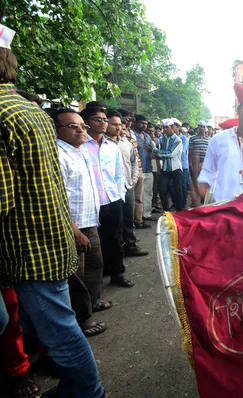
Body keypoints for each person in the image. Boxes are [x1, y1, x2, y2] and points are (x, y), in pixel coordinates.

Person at [0, 24, 106, 396]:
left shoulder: (2, 114)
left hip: (28, 248)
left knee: (60, 333)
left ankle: (87, 392)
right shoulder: (30, 112)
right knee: (52, 327)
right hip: (45, 241)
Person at [55, 108, 111, 338]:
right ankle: (81, 320)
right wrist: (75, 231)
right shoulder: (58, 154)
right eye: (73, 126)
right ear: (58, 129)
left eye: (82, 126)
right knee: (76, 276)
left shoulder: (80, 151)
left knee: (95, 265)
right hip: (73, 226)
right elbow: (58, 197)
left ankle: (92, 303)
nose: (81, 130)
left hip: (90, 221)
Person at [82, 106, 136, 288]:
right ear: (87, 122)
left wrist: (119, 195)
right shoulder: (80, 147)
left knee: (115, 238)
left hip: (112, 200)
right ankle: (98, 277)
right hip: (91, 203)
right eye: (98, 119)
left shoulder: (111, 147)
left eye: (105, 120)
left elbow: (118, 173)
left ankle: (117, 273)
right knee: (93, 244)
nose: (103, 123)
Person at [105, 110, 149, 257]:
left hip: (127, 185)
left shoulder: (126, 143)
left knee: (127, 218)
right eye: (114, 124)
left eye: (120, 125)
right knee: (113, 223)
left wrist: (132, 179)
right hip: (109, 189)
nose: (118, 128)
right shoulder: (102, 144)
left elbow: (134, 162)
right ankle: (115, 252)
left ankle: (130, 245)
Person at [154, 118, 183, 212]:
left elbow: (170, 153)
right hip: (165, 168)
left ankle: (179, 210)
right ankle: (166, 211)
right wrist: (158, 153)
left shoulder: (178, 140)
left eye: (167, 127)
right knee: (162, 189)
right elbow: (162, 154)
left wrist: (157, 152)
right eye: (164, 127)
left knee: (178, 190)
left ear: (172, 127)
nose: (165, 129)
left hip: (176, 168)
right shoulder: (161, 139)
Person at [133, 114, 157, 224]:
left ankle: (146, 214)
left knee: (148, 192)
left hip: (148, 167)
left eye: (146, 123)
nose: (144, 125)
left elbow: (154, 150)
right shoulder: (131, 135)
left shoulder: (147, 136)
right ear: (136, 122)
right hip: (137, 169)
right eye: (142, 123)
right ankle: (138, 217)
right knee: (138, 195)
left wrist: (152, 150)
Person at [189, 121, 210, 207]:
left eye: (204, 127)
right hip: (195, 163)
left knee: (204, 181)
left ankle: (204, 199)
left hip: (204, 163)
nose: (202, 128)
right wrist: (190, 163)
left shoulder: (208, 139)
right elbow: (190, 151)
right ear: (198, 127)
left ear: (206, 128)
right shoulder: (193, 138)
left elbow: (209, 153)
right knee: (195, 181)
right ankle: (195, 200)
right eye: (200, 127)